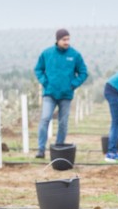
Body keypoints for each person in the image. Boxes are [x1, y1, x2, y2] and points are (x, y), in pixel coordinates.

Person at [33, 28, 89, 158]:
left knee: (63, 122)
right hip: (50, 93)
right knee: (45, 118)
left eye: (68, 39)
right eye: (64, 39)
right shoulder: (47, 53)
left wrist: (73, 85)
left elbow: (83, 72)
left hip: (66, 95)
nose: (67, 42)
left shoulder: (75, 55)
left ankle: (58, 148)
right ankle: (41, 150)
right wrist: (45, 82)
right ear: (57, 40)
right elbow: (38, 69)